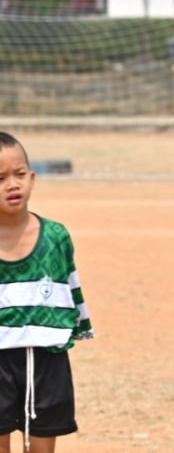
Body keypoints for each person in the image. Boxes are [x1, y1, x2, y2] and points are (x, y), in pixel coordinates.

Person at [0, 132, 92, 453]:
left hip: (46, 359)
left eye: (19, 174)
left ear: (32, 177)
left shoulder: (55, 236)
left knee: (41, 447)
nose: (12, 185)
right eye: (0, 178)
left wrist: (79, 326)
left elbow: (70, 285)